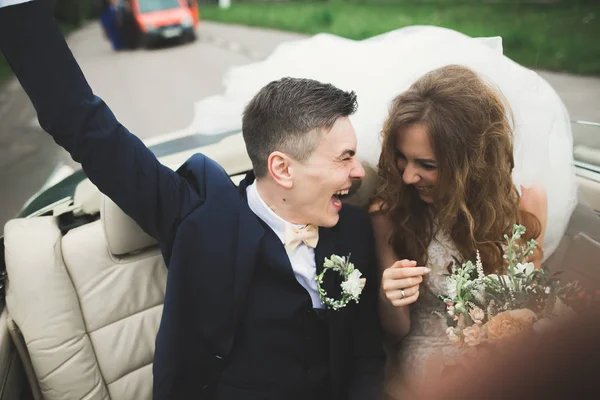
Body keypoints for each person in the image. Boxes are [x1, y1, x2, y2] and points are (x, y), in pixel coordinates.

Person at [0, 1, 385, 399]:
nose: (359, 172)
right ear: (283, 169)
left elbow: (366, 356)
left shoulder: (354, 228)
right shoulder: (198, 218)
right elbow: (81, 123)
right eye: (345, 158)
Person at [369, 64, 548, 397]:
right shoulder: (390, 213)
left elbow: (530, 304)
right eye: (401, 158)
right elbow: (397, 333)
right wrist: (387, 295)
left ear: (470, 163)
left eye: (427, 165)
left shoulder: (527, 204)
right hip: (430, 354)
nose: (408, 177)